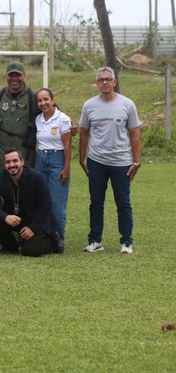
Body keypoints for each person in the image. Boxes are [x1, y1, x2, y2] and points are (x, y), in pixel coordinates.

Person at [78, 66, 142, 254]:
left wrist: (136, 162)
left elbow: (135, 134)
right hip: (96, 161)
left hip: (121, 162)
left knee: (123, 202)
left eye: (108, 79)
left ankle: (126, 242)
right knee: (96, 202)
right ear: (97, 83)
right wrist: (82, 158)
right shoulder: (89, 105)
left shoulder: (127, 104)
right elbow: (83, 133)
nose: (104, 82)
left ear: (114, 82)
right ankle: (95, 241)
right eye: (101, 80)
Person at [0, 148, 56, 257]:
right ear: (4, 165)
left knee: (30, 251)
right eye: (8, 162)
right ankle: (10, 246)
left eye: (15, 161)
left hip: (34, 218)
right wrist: (5, 217)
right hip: (13, 217)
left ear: (22, 162)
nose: (12, 165)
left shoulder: (36, 177)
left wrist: (32, 228)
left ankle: (52, 241)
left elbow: (46, 204)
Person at [34, 88, 72, 252]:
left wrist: (66, 168)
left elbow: (67, 144)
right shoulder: (38, 119)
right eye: (40, 101)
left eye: (46, 99)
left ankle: (59, 239)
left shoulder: (63, 119)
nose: (43, 103)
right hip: (41, 159)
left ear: (53, 100)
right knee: (40, 200)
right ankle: (44, 235)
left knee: (56, 203)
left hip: (58, 159)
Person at [0, 61, 39, 172]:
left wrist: (68, 126)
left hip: (23, 150)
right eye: (11, 75)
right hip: (1, 151)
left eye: (18, 75)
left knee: (24, 182)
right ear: (6, 76)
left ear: (24, 75)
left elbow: (51, 113)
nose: (14, 79)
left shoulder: (32, 96)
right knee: (2, 182)